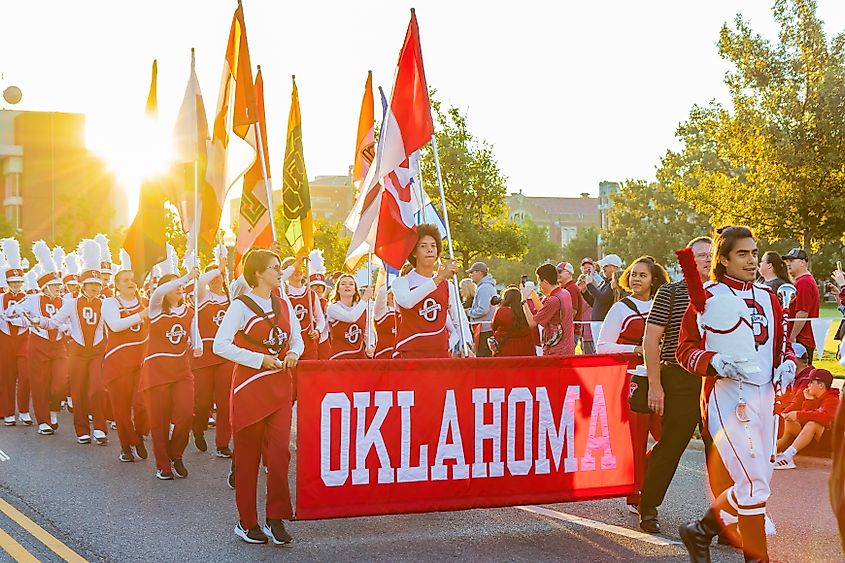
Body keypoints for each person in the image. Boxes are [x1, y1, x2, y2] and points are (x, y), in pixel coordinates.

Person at [677, 226, 796, 563]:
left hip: (765, 396)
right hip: (727, 398)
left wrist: (787, 363)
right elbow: (683, 350)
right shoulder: (708, 296)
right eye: (742, 254)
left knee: (754, 483)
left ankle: (700, 531)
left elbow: (780, 346)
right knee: (754, 485)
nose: (751, 260)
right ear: (724, 259)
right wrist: (716, 363)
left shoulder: (769, 298)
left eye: (754, 253)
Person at [213, 248, 302, 545]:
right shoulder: (240, 306)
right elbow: (220, 345)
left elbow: (297, 340)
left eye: (279, 267)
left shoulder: (284, 303)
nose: (280, 272)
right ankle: (246, 522)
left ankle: (276, 518)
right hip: (249, 389)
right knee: (248, 460)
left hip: (279, 389)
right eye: (275, 268)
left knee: (279, 456)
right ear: (258, 273)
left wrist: (293, 353)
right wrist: (258, 359)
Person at [637, 237, 712, 533]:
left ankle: (725, 521)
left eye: (711, 255)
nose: (707, 260)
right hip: (679, 377)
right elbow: (651, 340)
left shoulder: (725, 294)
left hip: (717, 381)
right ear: (688, 261)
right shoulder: (670, 291)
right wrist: (655, 385)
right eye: (701, 255)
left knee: (719, 450)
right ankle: (648, 506)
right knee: (671, 444)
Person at [596, 256, 670, 514]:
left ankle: (646, 481)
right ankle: (637, 495)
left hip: (664, 378)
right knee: (636, 439)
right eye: (634, 274)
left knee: (669, 437)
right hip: (634, 379)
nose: (636, 279)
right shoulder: (620, 308)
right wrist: (637, 348)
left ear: (654, 279)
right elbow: (602, 346)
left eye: (643, 275)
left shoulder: (665, 304)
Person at [43, 239, 109, 446]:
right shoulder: (70, 303)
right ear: (83, 285)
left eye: (98, 285)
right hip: (78, 352)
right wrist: (38, 321)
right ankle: (82, 429)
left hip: (98, 350)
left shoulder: (106, 303)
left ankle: (99, 427)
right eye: (91, 285)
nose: (95, 289)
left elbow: (113, 325)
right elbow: (54, 322)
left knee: (98, 389)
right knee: (78, 391)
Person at [140, 251, 199, 480]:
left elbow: (195, 337)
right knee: (159, 421)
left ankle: (176, 454)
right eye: (173, 285)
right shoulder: (155, 308)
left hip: (181, 370)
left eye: (180, 286)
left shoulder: (189, 311)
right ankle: (162, 464)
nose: (179, 288)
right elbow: (158, 292)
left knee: (185, 415)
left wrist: (198, 345)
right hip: (156, 372)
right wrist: (185, 277)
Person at [13, 241, 68, 436]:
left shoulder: (65, 300)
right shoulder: (33, 298)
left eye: (58, 285)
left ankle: (53, 411)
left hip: (58, 344)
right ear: (45, 287)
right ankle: (43, 420)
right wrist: (20, 312)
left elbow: (71, 320)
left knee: (60, 381)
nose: (58, 289)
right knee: (39, 383)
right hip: (38, 343)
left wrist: (65, 326)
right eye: (54, 286)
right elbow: (14, 310)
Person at [392, 224, 462, 359]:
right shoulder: (401, 282)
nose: (430, 250)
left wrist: (464, 343)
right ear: (414, 252)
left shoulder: (448, 285)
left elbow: (458, 318)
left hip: (440, 353)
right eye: (423, 246)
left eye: (433, 246)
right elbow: (407, 302)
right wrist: (439, 278)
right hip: (410, 353)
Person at [102, 264, 150, 462]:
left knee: (142, 404)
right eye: (125, 280)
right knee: (121, 409)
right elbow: (115, 325)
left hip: (141, 361)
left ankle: (138, 433)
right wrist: (141, 315)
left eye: (132, 279)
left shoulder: (145, 302)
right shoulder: (110, 303)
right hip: (118, 363)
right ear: (117, 285)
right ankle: (127, 445)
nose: (131, 283)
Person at [190, 253, 235, 458]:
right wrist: (217, 268)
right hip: (204, 355)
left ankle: (222, 443)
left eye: (221, 275)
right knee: (202, 401)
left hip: (225, 354)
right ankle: (197, 428)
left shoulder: (231, 297)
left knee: (225, 402)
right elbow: (199, 282)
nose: (218, 278)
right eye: (214, 274)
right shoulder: (202, 296)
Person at [775, 368, 839, 470]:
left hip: (831, 441)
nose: (807, 385)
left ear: (821, 385)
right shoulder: (813, 396)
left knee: (812, 424)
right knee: (790, 422)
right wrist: (808, 401)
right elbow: (806, 416)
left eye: (811, 382)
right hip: (814, 438)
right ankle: (771, 452)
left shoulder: (832, 399)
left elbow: (824, 418)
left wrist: (798, 414)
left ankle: (787, 458)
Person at [0, 238, 31, 427]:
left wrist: (18, 319)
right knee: (6, 376)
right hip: (5, 339)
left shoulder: (28, 297)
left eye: (19, 281)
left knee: (25, 375)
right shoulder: (1, 297)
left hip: (23, 339)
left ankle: (25, 411)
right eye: (14, 282)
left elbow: (31, 318)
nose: (17, 285)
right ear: (8, 281)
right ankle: (8, 412)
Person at [522, 263, 575, 356]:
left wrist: (523, 301)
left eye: (539, 281)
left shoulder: (553, 300)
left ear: (545, 282)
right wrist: (533, 295)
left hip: (556, 351)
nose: (538, 285)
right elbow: (544, 312)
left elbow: (532, 323)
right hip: (567, 349)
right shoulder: (565, 293)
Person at [281, 255, 323, 361]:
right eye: (295, 268)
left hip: (309, 342)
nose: (298, 271)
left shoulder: (311, 294)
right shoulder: (283, 293)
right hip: (290, 343)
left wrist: (317, 330)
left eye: (300, 268)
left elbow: (320, 319)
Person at [783, 248, 820, 362]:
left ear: (802, 262)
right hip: (803, 339)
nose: (788, 264)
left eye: (792, 260)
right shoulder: (803, 281)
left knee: (799, 376)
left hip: (801, 340)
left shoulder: (804, 283)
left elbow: (803, 312)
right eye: (787, 261)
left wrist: (792, 337)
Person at [326, 273, 374, 360]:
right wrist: (365, 298)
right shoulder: (332, 308)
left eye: (351, 284)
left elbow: (368, 331)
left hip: (359, 357)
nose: (347, 286)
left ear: (355, 290)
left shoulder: (362, 308)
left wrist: (370, 345)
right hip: (339, 357)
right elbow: (351, 317)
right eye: (343, 284)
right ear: (338, 290)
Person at [490, 287, 537, 356]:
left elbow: (493, 327)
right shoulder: (526, 311)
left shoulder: (501, 311)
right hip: (526, 349)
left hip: (506, 349)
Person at [466, 262, 497, 357]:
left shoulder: (484, 288)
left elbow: (483, 309)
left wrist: (468, 312)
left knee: (483, 357)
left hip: (484, 330)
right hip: (485, 328)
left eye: (472, 272)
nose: (470, 275)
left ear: (480, 272)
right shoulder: (486, 286)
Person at [584, 254, 623, 321]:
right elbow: (596, 303)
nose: (603, 268)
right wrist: (584, 291)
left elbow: (602, 298)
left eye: (605, 266)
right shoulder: (605, 282)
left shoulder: (616, 284)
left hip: (605, 323)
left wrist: (589, 284)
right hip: (598, 323)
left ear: (615, 267)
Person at [557, 262, 584, 350]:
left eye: (560, 271)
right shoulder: (566, 288)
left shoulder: (571, 288)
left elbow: (572, 312)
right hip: (568, 331)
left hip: (570, 332)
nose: (558, 274)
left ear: (569, 273)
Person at [373, 268, 397, 359]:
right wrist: (388, 270)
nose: (394, 296)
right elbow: (382, 291)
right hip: (383, 356)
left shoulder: (405, 310)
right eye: (392, 294)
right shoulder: (381, 311)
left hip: (400, 357)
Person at [577, 258, 599, 354]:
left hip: (590, 328)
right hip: (583, 328)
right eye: (584, 267)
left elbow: (581, 307)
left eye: (589, 267)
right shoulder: (581, 290)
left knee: (590, 355)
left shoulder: (596, 285)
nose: (586, 269)